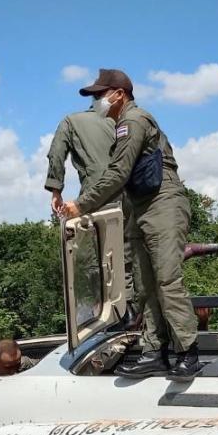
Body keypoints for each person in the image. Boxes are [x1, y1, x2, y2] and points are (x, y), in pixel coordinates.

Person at [60, 69, 200, 381]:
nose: (97, 101)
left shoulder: (134, 121)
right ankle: (154, 352)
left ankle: (187, 352)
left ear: (119, 94)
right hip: (139, 207)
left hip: (162, 204)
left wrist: (80, 205)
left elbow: (118, 173)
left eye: (100, 94)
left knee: (166, 280)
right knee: (143, 284)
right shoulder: (121, 126)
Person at [44, 99, 137, 307]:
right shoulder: (122, 120)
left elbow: (56, 153)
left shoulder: (71, 121)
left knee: (94, 255)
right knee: (126, 254)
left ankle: (102, 312)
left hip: (96, 193)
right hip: (129, 191)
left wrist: (56, 190)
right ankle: (128, 308)